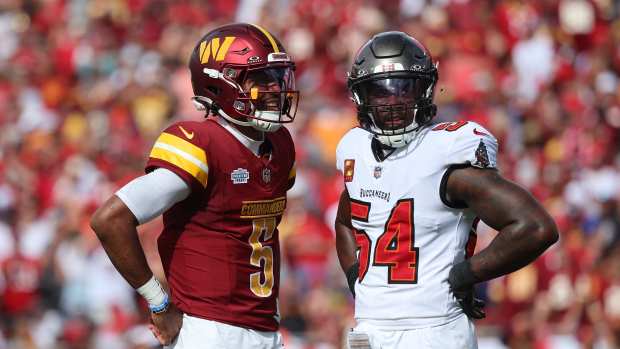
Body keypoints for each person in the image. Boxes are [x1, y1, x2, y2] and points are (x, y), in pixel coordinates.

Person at [334, 31, 558, 348]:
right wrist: (356, 275)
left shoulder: (446, 152)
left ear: (424, 90)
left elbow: (536, 227)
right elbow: (345, 220)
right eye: (380, 92)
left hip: (434, 329)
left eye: (404, 88)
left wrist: (467, 274)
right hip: (369, 329)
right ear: (361, 97)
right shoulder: (354, 149)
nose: (393, 102)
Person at [90, 23, 299, 348]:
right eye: (260, 79)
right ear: (220, 84)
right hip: (209, 330)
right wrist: (158, 302)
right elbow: (110, 219)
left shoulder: (281, 144)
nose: (274, 89)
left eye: (276, 78)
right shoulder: (200, 144)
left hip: (265, 328)